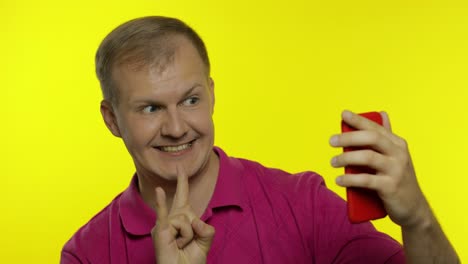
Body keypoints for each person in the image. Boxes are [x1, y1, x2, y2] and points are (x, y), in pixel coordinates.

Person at [61, 16, 459, 263]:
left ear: (212, 94)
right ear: (112, 119)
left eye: (191, 100)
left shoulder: (303, 203)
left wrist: (418, 218)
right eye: (150, 108)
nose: (177, 127)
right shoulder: (86, 254)